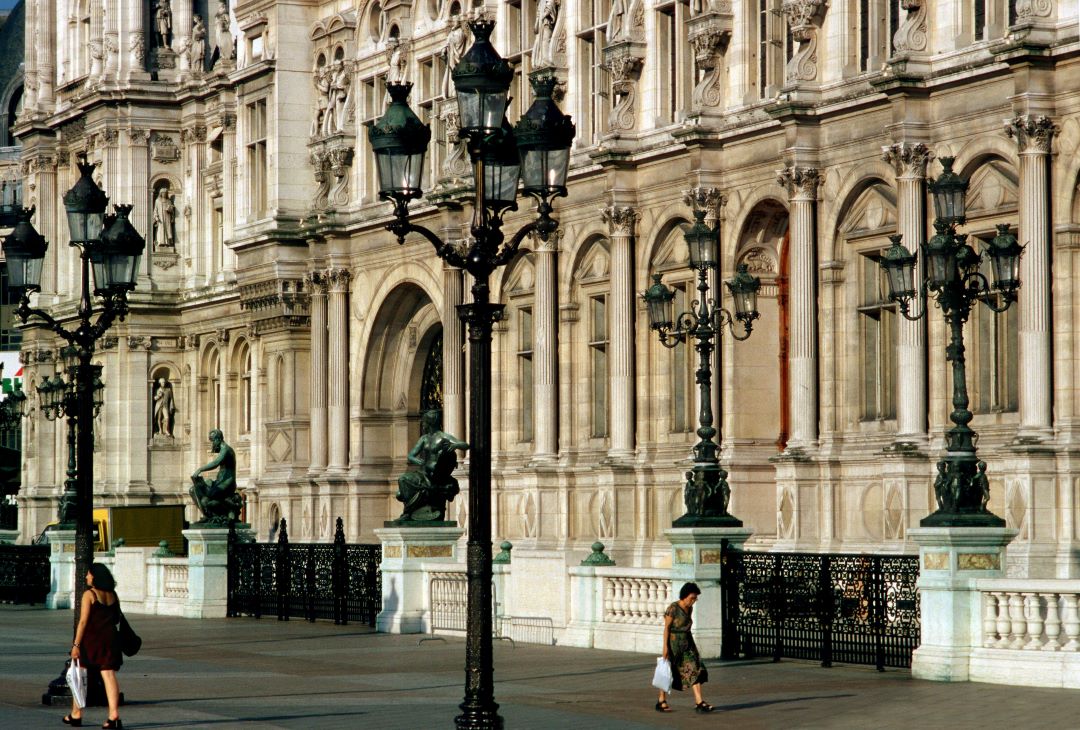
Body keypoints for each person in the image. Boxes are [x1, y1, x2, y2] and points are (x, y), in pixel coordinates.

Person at [65, 563, 123, 729]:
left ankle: (76, 714)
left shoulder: (89, 594)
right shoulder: (113, 595)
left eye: (89, 574)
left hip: (92, 640)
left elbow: (83, 621)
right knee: (109, 675)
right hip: (110, 639)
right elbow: (116, 618)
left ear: (95, 576)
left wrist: (76, 644)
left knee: (80, 675)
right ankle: (113, 715)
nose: (86, 577)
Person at [395, 409, 468, 522]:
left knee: (404, 482)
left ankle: (408, 513)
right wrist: (415, 459)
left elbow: (465, 445)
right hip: (424, 473)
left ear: (430, 423)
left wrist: (456, 445)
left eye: (424, 422)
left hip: (437, 475)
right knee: (403, 480)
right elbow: (410, 455)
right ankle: (410, 512)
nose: (423, 424)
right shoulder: (424, 438)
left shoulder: (443, 436)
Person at [657, 582, 714, 713]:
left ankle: (699, 701)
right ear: (685, 595)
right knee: (668, 670)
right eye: (692, 598)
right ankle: (661, 700)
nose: (693, 601)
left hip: (687, 642)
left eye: (695, 598)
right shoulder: (673, 608)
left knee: (695, 668)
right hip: (674, 643)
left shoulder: (690, 608)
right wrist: (665, 647)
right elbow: (666, 629)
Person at [190, 429, 241, 523]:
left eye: (213, 440)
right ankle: (208, 515)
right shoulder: (222, 448)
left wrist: (200, 469)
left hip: (227, 483)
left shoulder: (225, 448)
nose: (212, 444)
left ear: (218, 439)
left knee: (208, 496)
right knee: (193, 490)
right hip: (219, 482)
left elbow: (216, 463)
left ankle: (231, 508)